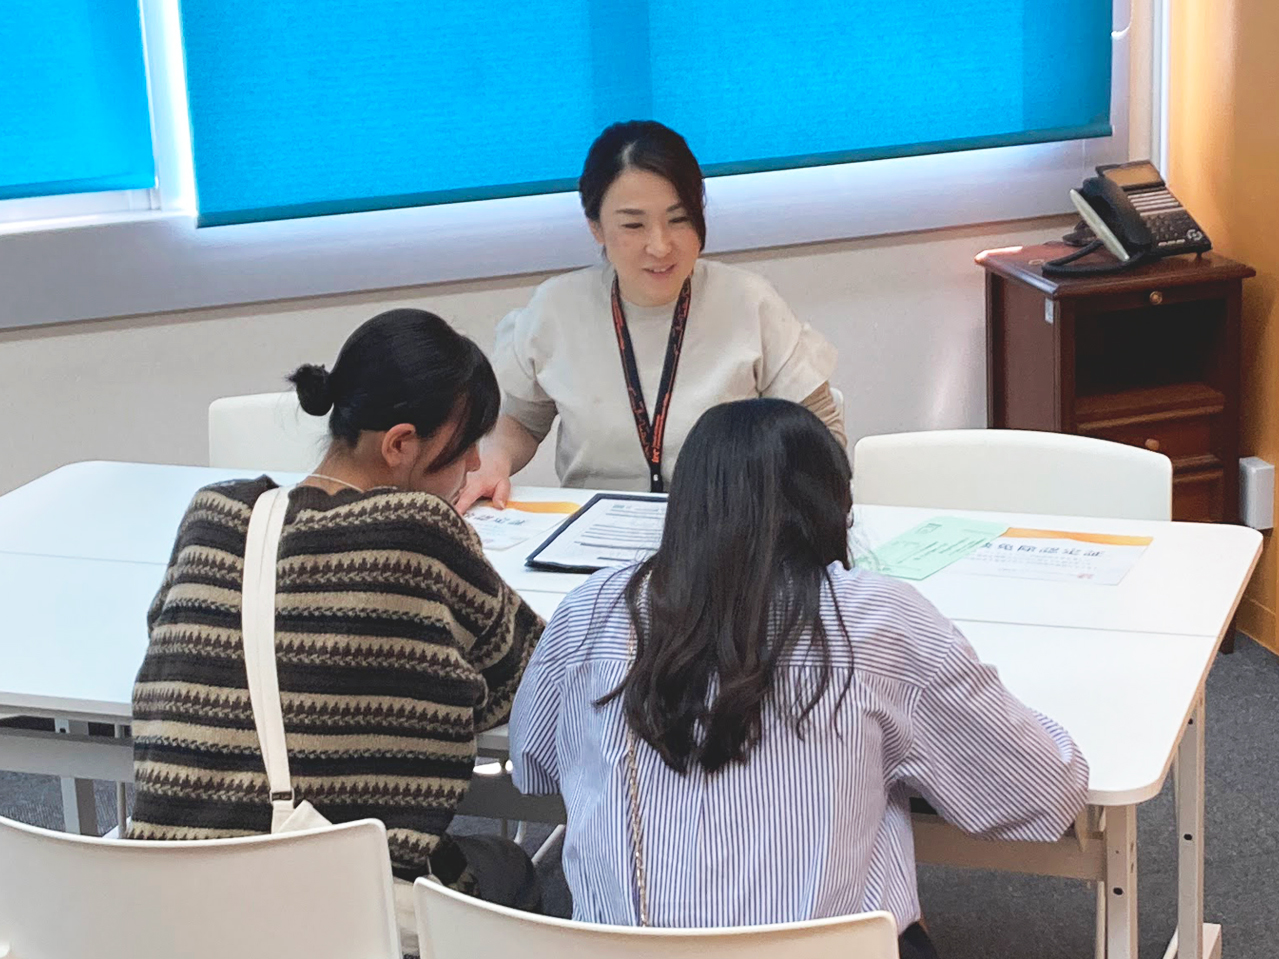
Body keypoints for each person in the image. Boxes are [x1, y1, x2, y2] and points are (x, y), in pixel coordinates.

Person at [508, 398, 1088, 958]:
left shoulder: (590, 609)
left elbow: (533, 765)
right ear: (833, 507)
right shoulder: (878, 620)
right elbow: (1040, 792)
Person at [130, 309, 544, 944]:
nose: (470, 469)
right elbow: (530, 674)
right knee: (511, 866)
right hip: (338, 916)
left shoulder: (212, 516)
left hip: (166, 911)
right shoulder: (421, 531)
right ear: (400, 445)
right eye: (463, 449)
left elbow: (165, 635)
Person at [456, 120, 843, 512]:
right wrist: (493, 462)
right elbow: (519, 421)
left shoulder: (749, 301)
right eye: (633, 224)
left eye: (679, 219)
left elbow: (821, 429)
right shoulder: (557, 308)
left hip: (724, 527)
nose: (660, 246)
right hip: (598, 526)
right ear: (596, 227)